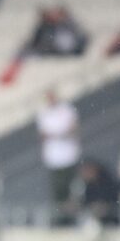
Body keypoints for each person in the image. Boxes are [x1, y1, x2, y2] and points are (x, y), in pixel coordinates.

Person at [36, 90, 80, 226]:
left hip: (69, 156)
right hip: (53, 159)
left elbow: (73, 129)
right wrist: (60, 134)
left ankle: (72, 218)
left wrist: (56, 135)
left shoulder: (66, 110)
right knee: (58, 191)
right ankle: (61, 218)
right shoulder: (43, 113)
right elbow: (44, 135)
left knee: (72, 189)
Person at [79, 159, 120, 228]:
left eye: (87, 170)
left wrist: (106, 207)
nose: (84, 174)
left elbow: (117, 201)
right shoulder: (89, 186)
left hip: (114, 222)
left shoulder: (110, 183)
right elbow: (86, 202)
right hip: (95, 221)